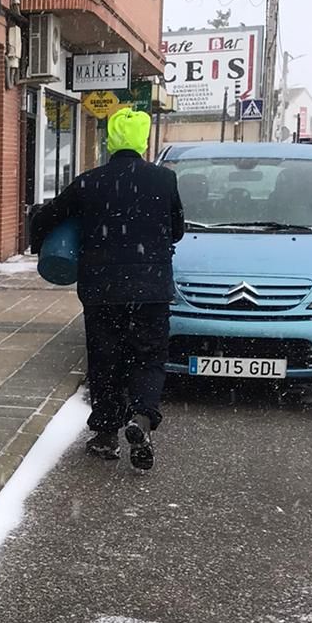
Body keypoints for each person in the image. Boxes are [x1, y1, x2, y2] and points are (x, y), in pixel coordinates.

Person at [30, 106, 184, 471]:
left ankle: (104, 434)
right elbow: (176, 230)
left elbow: (50, 216)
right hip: (151, 290)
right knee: (148, 357)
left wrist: (40, 234)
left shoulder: (90, 181)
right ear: (143, 141)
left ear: (110, 141)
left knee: (105, 360)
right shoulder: (164, 180)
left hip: (103, 291)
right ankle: (142, 418)